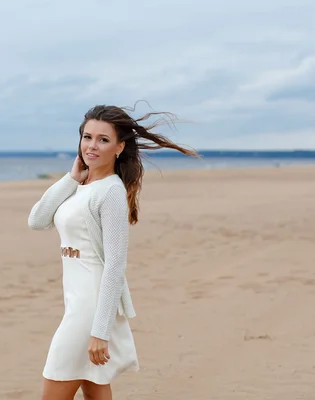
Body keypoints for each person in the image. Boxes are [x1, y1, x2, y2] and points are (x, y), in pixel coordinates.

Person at [27, 104, 199, 400]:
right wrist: (71, 178)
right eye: (87, 137)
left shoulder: (110, 192)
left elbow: (115, 265)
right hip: (76, 300)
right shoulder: (82, 185)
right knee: (95, 391)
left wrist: (100, 331)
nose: (92, 146)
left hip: (90, 307)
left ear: (119, 147)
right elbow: (37, 219)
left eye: (103, 140)